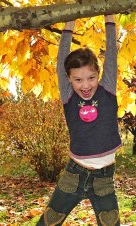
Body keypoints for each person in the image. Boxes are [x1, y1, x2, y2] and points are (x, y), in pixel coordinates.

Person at [36, 14, 122, 226]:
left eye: (91, 78)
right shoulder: (68, 95)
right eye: (78, 79)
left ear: (99, 75)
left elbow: (112, 54)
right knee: (48, 222)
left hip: (104, 179)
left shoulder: (107, 88)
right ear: (69, 79)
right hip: (74, 175)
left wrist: (109, 18)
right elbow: (60, 61)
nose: (85, 85)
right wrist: (69, 23)